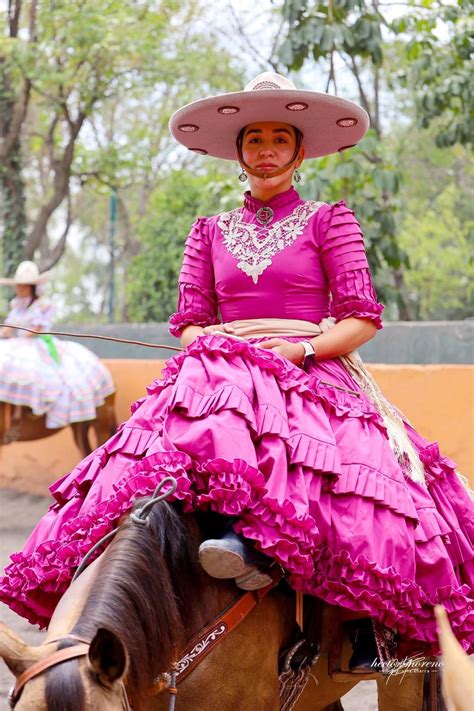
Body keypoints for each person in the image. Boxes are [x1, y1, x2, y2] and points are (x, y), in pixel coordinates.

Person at [0, 74, 472, 668]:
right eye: (255, 139)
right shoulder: (208, 231)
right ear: (239, 151)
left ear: (300, 152)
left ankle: (358, 630)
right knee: (149, 462)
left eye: (280, 138)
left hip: (309, 363)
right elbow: (191, 321)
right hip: (223, 365)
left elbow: (360, 319)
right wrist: (218, 348)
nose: (267, 149)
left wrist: (294, 354)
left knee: (360, 483)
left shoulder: (331, 221)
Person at [0, 260, 115, 430]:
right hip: (19, 342)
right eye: (18, 286)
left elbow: (36, 329)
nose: (19, 289)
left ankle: (35, 409)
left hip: (36, 343)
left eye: (23, 286)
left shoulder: (43, 305)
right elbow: (9, 326)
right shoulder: (17, 305)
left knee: (36, 371)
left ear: (31, 287)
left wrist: (23, 332)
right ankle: (14, 411)